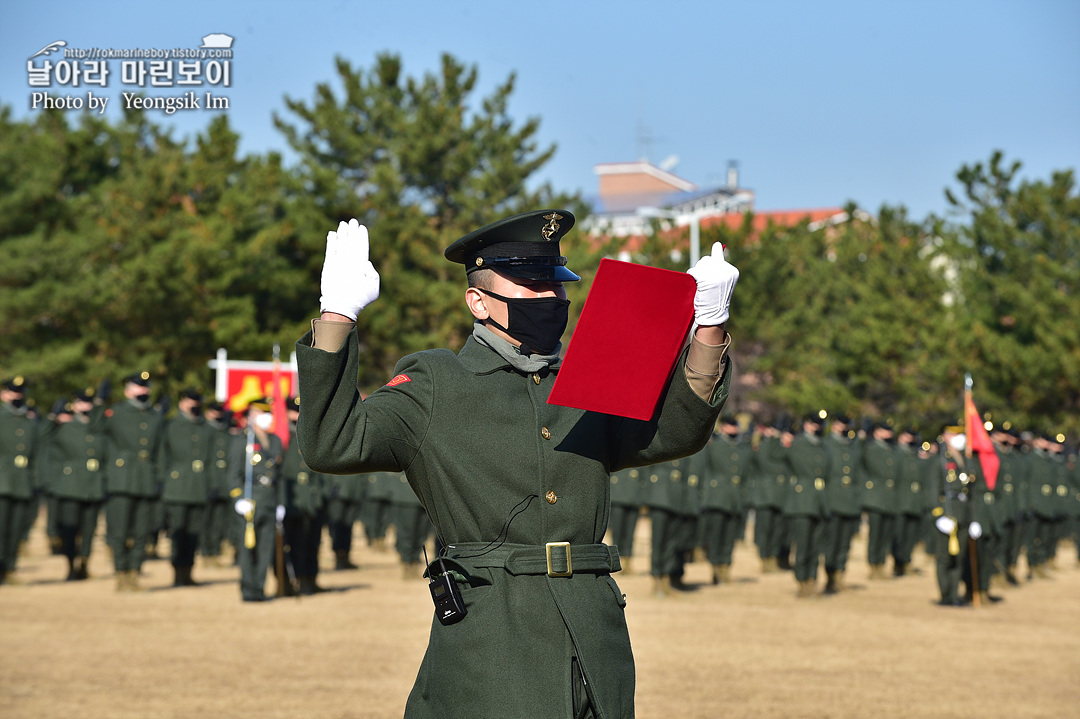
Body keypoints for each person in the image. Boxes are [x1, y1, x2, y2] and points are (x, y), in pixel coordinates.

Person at [295, 210, 736, 719]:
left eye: (556, 284)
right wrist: (337, 318)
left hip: (593, 639)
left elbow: (677, 432)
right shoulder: (438, 381)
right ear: (478, 301)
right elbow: (331, 444)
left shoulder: (589, 377)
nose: (551, 298)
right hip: (494, 641)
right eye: (531, 284)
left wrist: (708, 326)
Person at [104, 371, 164, 592]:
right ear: (127, 389)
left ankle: (134, 572)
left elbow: (159, 449)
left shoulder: (155, 415)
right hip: (122, 479)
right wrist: (100, 402)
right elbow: (93, 427)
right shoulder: (117, 412)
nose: (143, 390)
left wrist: (160, 478)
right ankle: (121, 573)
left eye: (145, 386)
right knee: (119, 531)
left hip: (146, 478)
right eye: (138, 386)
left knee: (142, 532)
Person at [42, 391, 107, 581]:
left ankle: (85, 563)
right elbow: (42, 435)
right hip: (70, 486)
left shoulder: (100, 427)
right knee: (70, 529)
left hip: (93, 485)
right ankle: (70, 564)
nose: (86, 407)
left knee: (89, 529)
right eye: (82, 403)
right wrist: (53, 416)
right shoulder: (65, 426)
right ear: (75, 405)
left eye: (89, 403)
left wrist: (100, 405)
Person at [228, 397, 285, 602]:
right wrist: (238, 498)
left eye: (267, 413)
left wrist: (281, 502)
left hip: (269, 499)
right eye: (261, 414)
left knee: (265, 547)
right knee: (247, 548)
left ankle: (260, 588)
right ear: (252, 416)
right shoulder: (242, 441)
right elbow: (233, 474)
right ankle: (248, 589)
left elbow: (279, 476)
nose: (266, 418)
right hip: (250, 500)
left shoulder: (275, 441)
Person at [160, 388, 214, 586]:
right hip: (177, 487)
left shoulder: (205, 428)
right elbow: (163, 456)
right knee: (178, 532)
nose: (195, 405)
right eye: (191, 401)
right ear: (182, 402)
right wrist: (162, 481)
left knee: (194, 534)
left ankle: (189, 570)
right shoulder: (171, 425)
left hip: (198, 487)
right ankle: (178, 572)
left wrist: (211, 484)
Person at [1, 376, 38, 586]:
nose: (17, 396)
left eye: (20, 391)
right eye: (12, 391)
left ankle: (9, 568)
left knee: (15, 529)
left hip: (22, 481)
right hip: (2, 481)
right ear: (3, 394)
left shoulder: (28, 420)